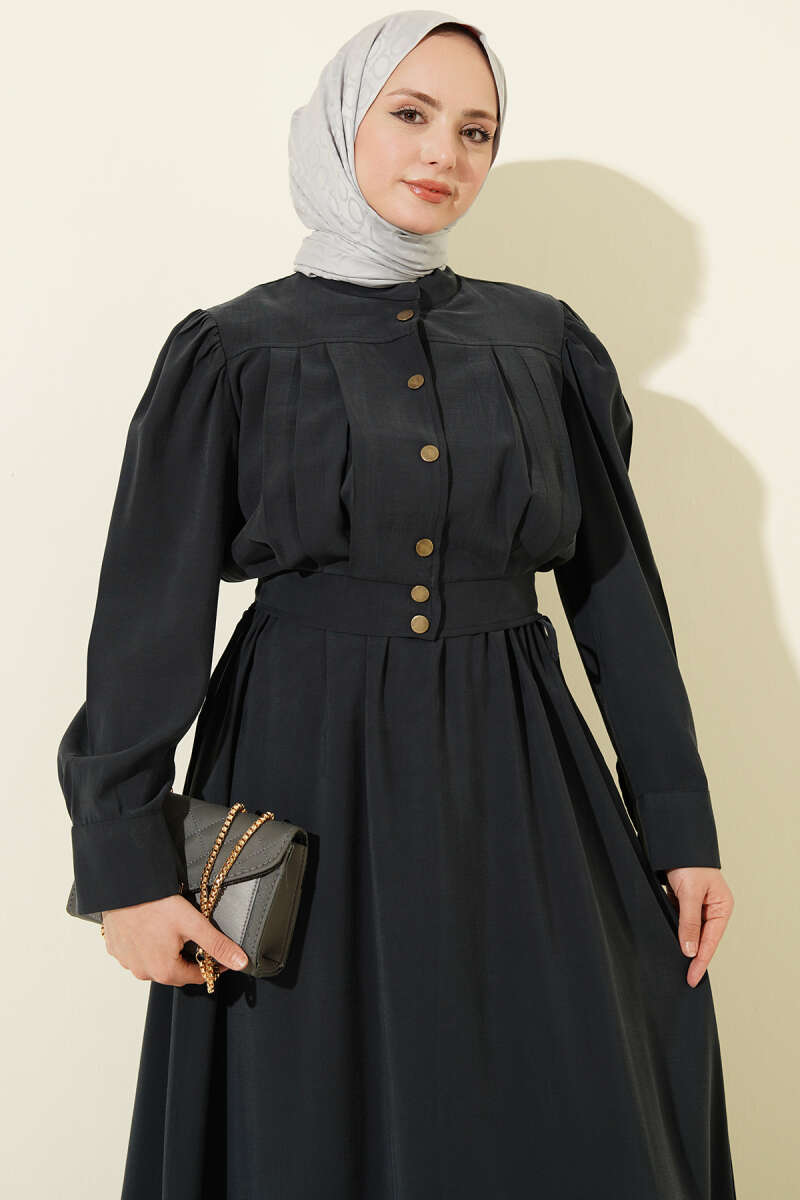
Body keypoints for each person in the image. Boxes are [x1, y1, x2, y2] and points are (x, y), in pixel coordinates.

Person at [57, 10, 738, 1198]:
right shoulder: (230, 350)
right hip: (298, 770)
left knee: (567, 1086)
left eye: (475, 131)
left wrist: (678, 830)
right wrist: (125, 867)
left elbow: (617, 602)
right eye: (411, 114)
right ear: (339, 124)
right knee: (304, 1102)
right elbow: (144, 624)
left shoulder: (543, 345)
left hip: (518, 775)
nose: (443, 153)